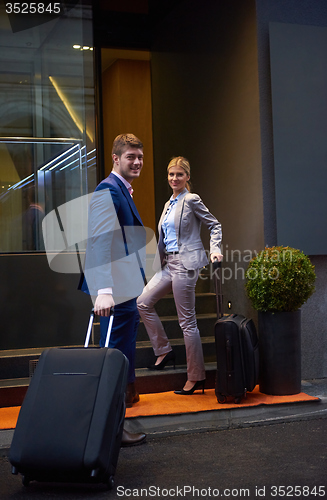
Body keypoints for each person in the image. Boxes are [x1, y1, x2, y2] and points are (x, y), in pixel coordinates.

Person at [137, 156, 223, 395]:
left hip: (186, 264)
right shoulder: (169, 204)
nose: (174, 178)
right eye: (171, 175)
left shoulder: (191, 200)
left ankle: (196, 377)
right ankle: (164, 351)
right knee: (142, 302)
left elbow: (214, 225)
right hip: (168, 263)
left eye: (179, 174)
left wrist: (215, 250)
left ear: (187, 177)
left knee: (187, 322)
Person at [81, 133, 146, 446]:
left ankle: (115, 425)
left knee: (122, 356)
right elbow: (100, 241)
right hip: (115, 292)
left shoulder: (123, 190)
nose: (136, 162)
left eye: (139, 157)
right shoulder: (108, 189)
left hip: (125, 289)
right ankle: (110, 430)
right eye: (130, 157)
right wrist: (103, 289)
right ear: (115, 159)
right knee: (115, 359)